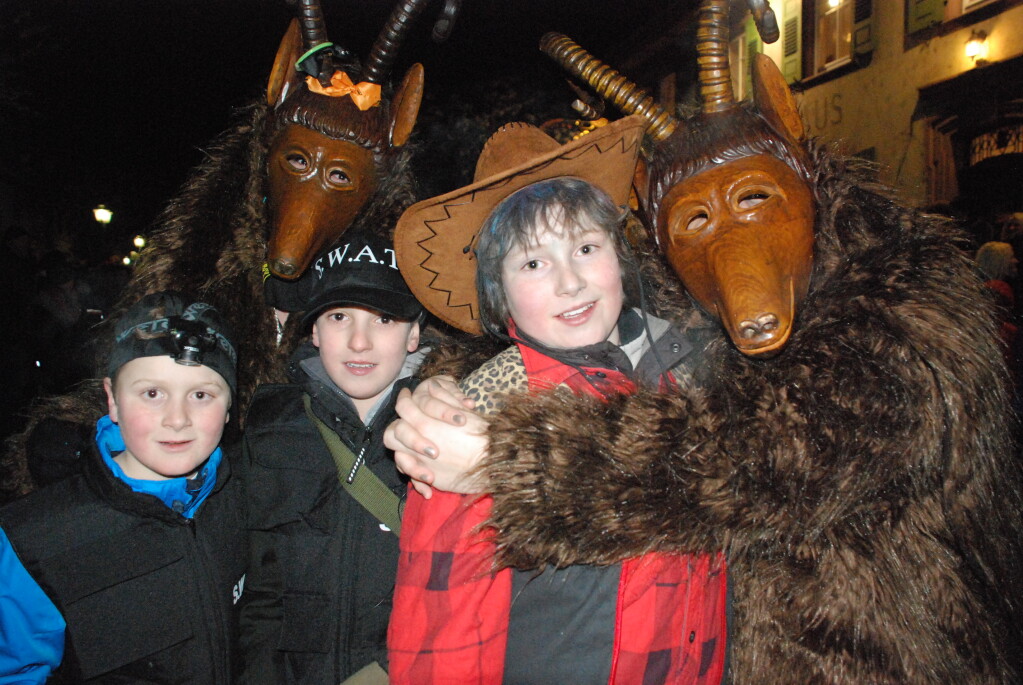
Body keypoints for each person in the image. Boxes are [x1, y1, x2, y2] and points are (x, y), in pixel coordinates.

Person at [388, 118, 729, 684]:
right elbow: (441, 636)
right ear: (499, 300)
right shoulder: (475, 421)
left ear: (620, 258)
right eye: (533, 262)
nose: (570, 282)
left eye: (586, 247)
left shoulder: (693, 371)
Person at [0, 291, 247, 683]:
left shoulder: (242, 499)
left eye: (201, 395)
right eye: (152, 393)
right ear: (112, 400)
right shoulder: (32, 541)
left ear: (230, 408)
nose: (177, 419)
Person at [238, 228, 427, 685]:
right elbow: (255, 596)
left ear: (414, 334)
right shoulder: (268, 429)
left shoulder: (445, 431)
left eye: (383, 319)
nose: (359, 342)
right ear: (314, 332)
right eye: (339, 316)